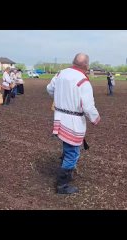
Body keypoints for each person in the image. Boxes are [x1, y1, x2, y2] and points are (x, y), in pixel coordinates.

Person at [46, 53, 101, 194]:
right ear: (86, 65)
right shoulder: (83, 81)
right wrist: (95, 118)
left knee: (67, 147)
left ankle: (67, 174)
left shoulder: (60, 74)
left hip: (59, 117)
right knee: (73, 153)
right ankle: (62, 185)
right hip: (73, 121)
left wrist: (60, 99)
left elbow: (49, 89)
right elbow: (88, 106)